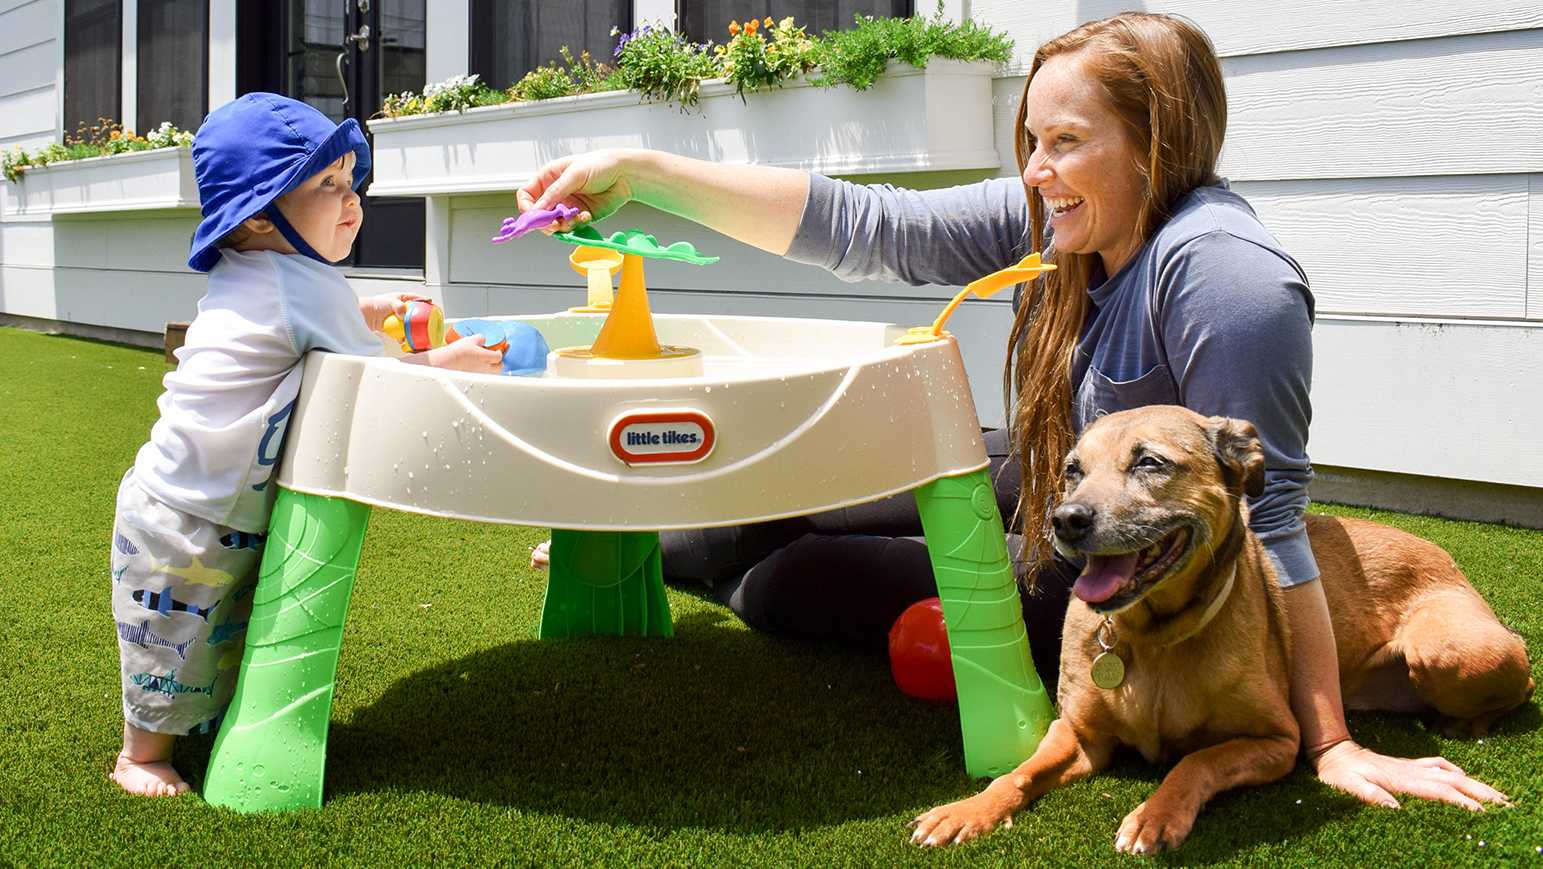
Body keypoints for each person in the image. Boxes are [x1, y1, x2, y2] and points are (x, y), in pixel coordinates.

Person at [517, 13, 1505, 810]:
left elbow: (1271, 516)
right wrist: (647, 175)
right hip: (1048, 483)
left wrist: (1326, 741)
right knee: (839, 470)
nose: (1034, 169)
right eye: (1031, 139)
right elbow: (875, 227)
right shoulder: (1063, 218)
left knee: (796, 577)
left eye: (1065, 142)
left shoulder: (1226, 282)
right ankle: (644, 538)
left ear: (1154, 143)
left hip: (1094, 563)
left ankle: (722, 568)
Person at [109, 93, 501, 797]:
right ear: (259, 214)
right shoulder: (300, 286)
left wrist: (361, 307)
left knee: (211, 627)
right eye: (326, 186)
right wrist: (452, 362)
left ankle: (184, 731)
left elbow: (295, 319)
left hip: (193, 494)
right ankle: (140, 754)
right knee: (168, 636)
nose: (351, 202)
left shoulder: (269, 271)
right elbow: (366, 376)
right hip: (187, 510)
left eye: (350, 183)